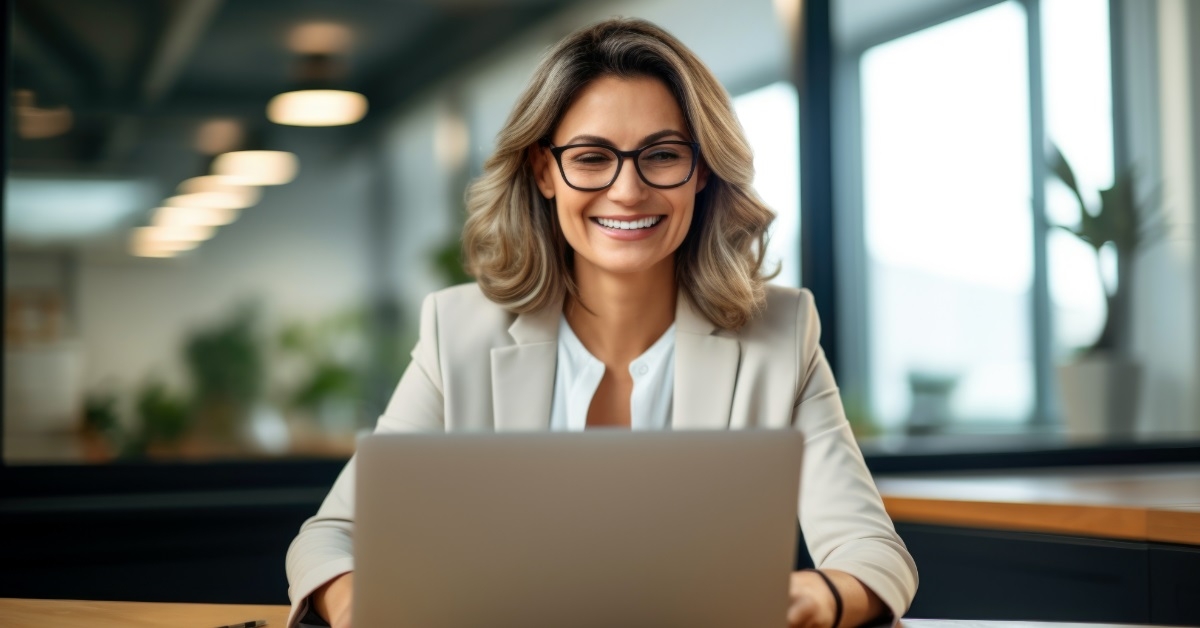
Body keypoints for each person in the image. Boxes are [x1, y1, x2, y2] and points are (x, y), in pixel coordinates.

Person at [285, 17, 918, 628]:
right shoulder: (458, 332)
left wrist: (821, 598)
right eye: (591, 157)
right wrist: (357, 609)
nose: (627, 190)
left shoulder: (781, 333)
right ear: (543, 170)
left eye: (662, 155)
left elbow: (873, 553)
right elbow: (330, 538)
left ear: (700, 170)